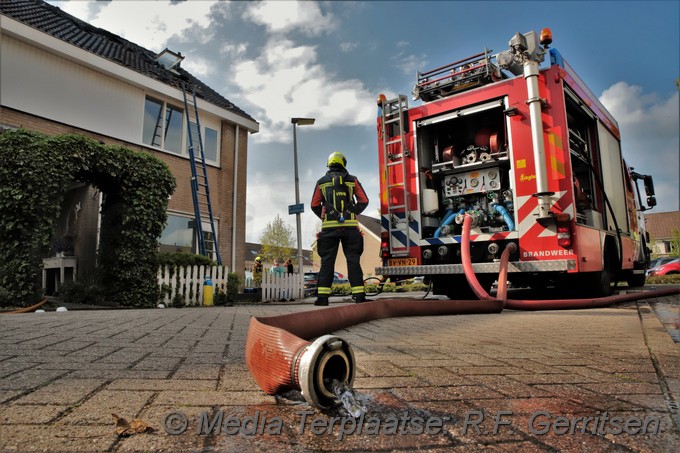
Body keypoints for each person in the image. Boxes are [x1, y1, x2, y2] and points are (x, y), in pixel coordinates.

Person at [311, 151, 369, 306]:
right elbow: (364, 200)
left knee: (327, 262)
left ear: (329, 163)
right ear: (344, 163)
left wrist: (324, 217)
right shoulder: (352, 180)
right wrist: (353, 212)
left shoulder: (321, 182)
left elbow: (314, 205)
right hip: (350, 228)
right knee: (353, 261)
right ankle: (359, 297)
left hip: (329, 229)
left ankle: (322, 298)